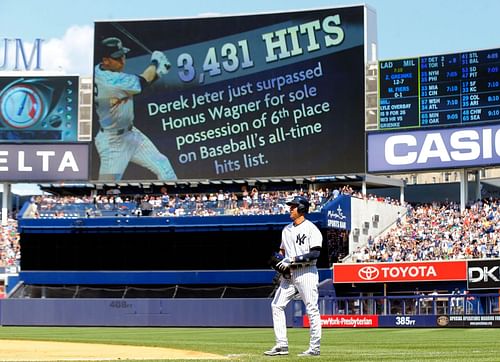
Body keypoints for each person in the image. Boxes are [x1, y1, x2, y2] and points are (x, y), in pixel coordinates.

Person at [94, 36, 177, 181]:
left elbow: (135, 86)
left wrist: (159, 72)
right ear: (105, 60)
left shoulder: (99, 71)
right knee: (107, 190)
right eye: (117, 57)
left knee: (163, 165)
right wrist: (155, 62)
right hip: (112, 142)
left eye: (123, 56)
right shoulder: (109, 81)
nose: (122, 61)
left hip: (131, 134)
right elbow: (141, 81)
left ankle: (177, 200)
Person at [264, 195, 322, 357]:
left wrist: (293, 260)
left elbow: (315, 253)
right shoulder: (286, 229)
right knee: (276, 305)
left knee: (311, 309)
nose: (290, 208)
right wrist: (279, 263)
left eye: (294, 206)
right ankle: (282, 345)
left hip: (306, 272)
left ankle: (314, 348)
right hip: (289, 274)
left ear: (302, 209)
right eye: (290, 206)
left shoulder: (311, 228)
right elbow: (282, 252)